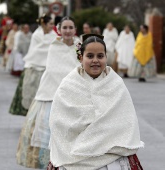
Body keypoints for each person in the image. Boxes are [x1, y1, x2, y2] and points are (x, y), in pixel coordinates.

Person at [48, 34, 144, 170]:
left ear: (106, 57)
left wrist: (101, 132)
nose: (95, 61)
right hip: (74, 156)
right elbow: (59, 123)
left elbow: (125, 121)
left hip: (111, 157)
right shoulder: (67, 85)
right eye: (90, 56)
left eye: (100, 56)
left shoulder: (116, 84)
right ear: (81, 58)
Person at [16, 16, 80, 169]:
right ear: (59, 30)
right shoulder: (53, 46)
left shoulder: (80, 46)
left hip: (74, 94)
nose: (68, 31)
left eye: (71, 27)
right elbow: (52, 69)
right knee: (47, 133)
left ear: (75, 30)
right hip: (51, 93)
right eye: (64, 27)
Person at [9, 14, 56, 116]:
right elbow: (35, 50)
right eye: (50, 23)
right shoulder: (36, 35)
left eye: (53, 24)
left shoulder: (54, 36)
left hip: (47, 69)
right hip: (33, 66)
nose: (53, 26)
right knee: (30, 94)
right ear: (44, 24)